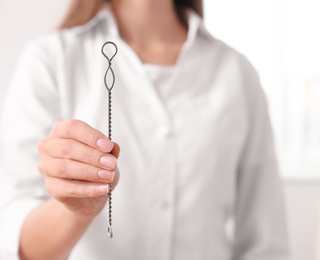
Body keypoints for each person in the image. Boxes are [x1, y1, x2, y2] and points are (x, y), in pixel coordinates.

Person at [0, 0, 289, 259]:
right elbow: (19, 245)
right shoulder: (51, 60)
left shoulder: (237, 74)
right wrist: (74, 212)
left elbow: (267, 244)